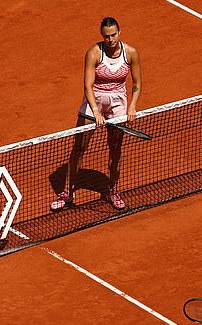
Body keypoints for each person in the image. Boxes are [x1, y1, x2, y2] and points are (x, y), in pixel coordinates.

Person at [51, 16, 142, 211]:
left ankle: (113, 189)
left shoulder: (131, 53)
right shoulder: (93, 53)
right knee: (79, 147)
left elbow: (137, 83)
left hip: (119, 102)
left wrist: (132, 106)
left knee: (115, 148)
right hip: (95, 100)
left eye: (114, 35)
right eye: (107, 36)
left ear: (120, 32)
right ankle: (67, 191)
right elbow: (87, 86)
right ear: (102, 36)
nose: (110, 39)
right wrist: (95, 111)